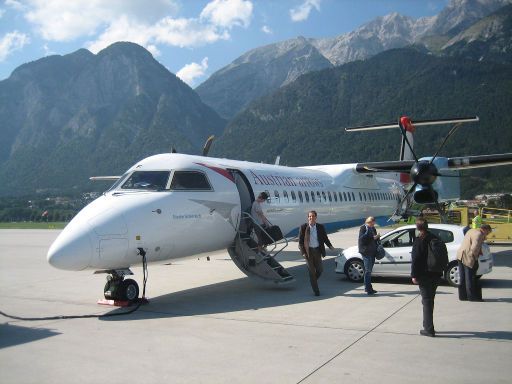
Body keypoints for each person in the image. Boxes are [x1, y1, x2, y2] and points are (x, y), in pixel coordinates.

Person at [411, 218, 441, 337]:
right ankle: (428, 325)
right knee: (430, 300)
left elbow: (416, 259)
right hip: (436, 273)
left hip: (425, 275)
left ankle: (429, 329)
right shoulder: (435, 237)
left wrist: (414, 275)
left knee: (426, 302)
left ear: (418, 228)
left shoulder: (419, 240)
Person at [299, 210, 335, 296]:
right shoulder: (303, 227)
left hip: (317, 251)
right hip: (308, 252)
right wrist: (303, 252)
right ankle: (316, 290)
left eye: (313, 216)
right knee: (312, 272)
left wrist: (330, 246)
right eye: (310, 216)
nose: (311, 218)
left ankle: (313, 280)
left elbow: (325, 238)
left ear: (316, 217)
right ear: (308, 218)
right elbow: (300, 242)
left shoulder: (320, 227)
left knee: (320, 270)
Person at [457, 224, 492, 302]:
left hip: (460, 254)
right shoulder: (479, 234)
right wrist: (475, 257)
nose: (487, 235)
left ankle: (463, 296)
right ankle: (471, 297)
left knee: (462, 277)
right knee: (470, 277)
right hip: (468, 256)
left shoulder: (471, 230)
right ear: (485, 229)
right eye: (487, 233)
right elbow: (474, 247)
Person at [358, 216, 380, 295]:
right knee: (368, 271)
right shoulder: (363, 228)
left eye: (373, 223)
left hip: (372, 252)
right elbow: (362, 239)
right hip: (366, 252)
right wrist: (373, 237)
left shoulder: (373, 228)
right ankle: (368, 288)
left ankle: (367, 287)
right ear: (368, 222)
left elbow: (375, 238)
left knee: (369, 271)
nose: (373, 225)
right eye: (371, 223)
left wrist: (377, 238)